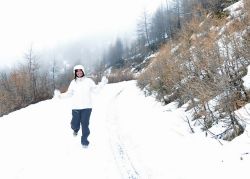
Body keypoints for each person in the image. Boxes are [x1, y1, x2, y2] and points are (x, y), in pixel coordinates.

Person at [55, 64, 108, 148]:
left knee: (85, 124)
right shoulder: (73, 83)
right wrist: (60, 96)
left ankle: (84, 142)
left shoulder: (89, 81)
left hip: (87, 107)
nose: (79, 72)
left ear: (83, 71)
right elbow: (69, 93)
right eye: (77, 71)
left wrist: (102, 84)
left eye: (80, 70)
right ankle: (75, 130)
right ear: (75, 73)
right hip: (76, 107)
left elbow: (96, 91)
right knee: (74, 124)